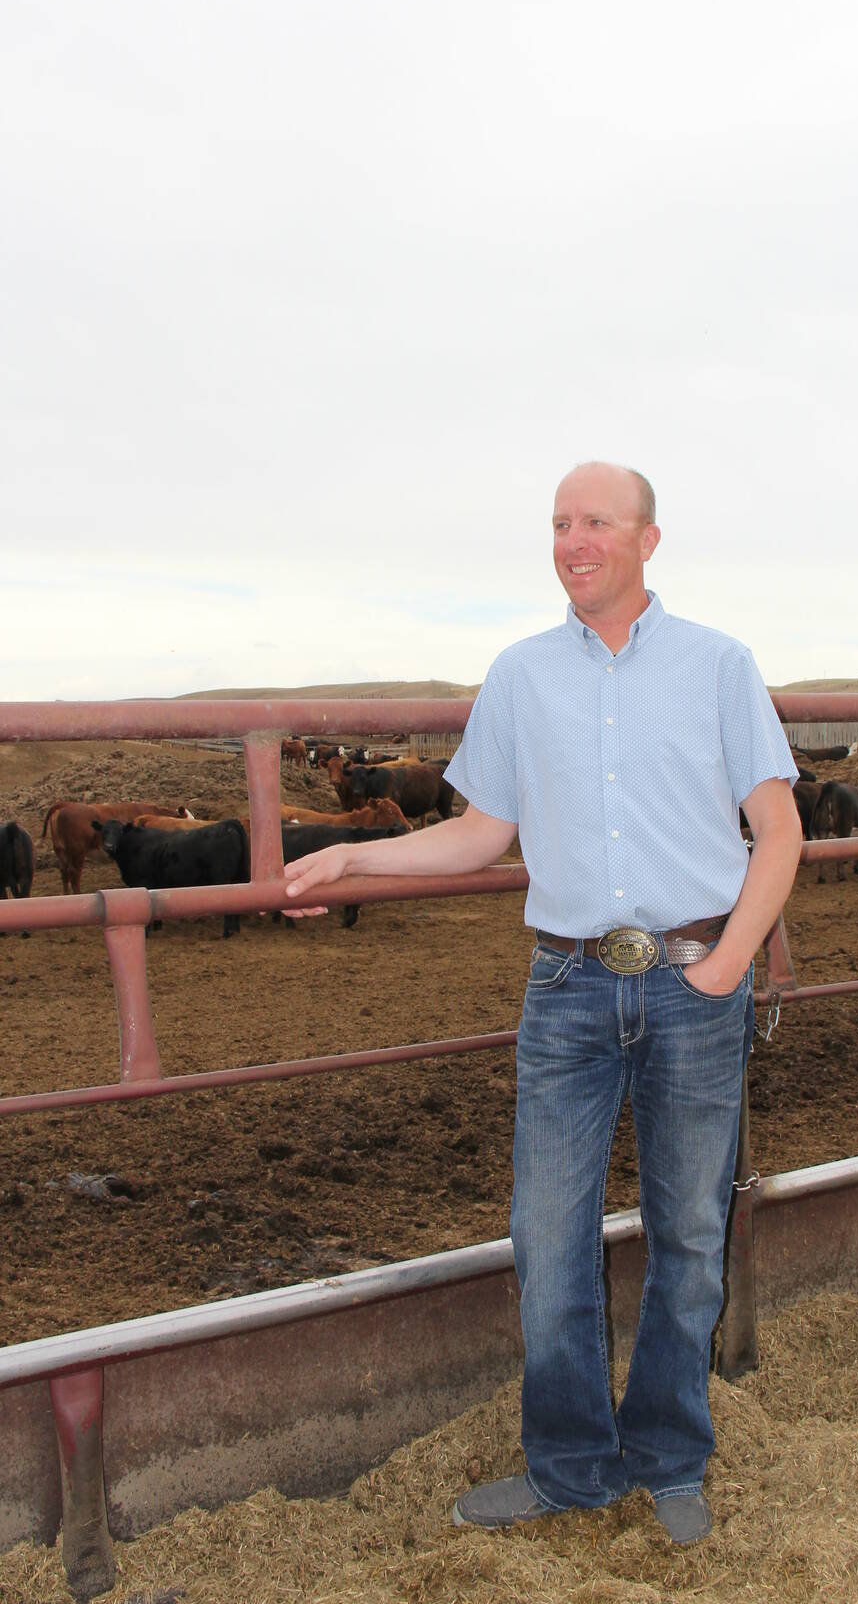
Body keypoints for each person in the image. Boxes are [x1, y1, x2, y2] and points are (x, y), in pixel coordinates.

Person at [283, 462, 802, 1543]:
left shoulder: (718, 665)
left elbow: (779, 831)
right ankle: (570, 1467)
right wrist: (356, 860)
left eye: (597, 522)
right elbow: (485, 832)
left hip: (692, 979)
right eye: (561, 523)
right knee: (546, 1235)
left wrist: (728, 964)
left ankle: (669, 1458)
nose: (574, 540)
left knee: (691, 1228)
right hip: (566, 986)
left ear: (648, 541)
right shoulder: (519, 674)